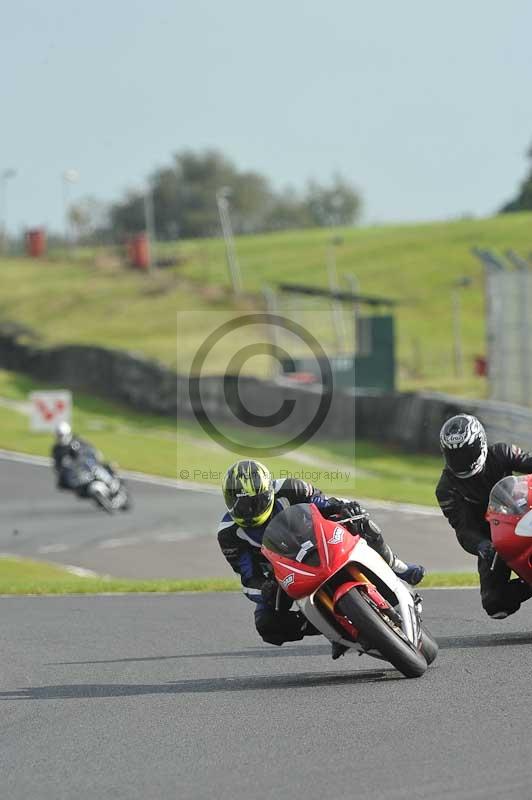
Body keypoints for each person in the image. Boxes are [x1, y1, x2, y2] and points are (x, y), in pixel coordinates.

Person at [218, 459, 426, 656]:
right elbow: (247, 578)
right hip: (283, 574)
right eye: (241, 505)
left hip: (321, 542)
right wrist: (264, 588)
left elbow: (325, 503)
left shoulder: (291, 488)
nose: (248, 511)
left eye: (255, 502)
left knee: (363, 524)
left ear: (268, 492)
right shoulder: (228, 534)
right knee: (266, 624)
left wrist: (345, 508)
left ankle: (398, 567)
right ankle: (334, 631)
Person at [436, 413, 532, 619]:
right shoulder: (446, 489)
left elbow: (529, 462)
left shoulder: (502, 453)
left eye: (466, 452)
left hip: (525, 515)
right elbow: (463, 530)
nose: (461, 460)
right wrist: (482, 546)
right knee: (495, 604)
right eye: (455, 455)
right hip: (496, 540)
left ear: (480, 444)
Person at [52, 422, 105, 491]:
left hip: (86, 463)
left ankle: (107, 479)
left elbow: (89, 446)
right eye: (58, 435)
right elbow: (57, 465)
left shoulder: (76, 439)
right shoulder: (57, 449)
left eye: (61, 435)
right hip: (75, 470)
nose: (60, 437)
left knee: (98, 467)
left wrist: (95, 453)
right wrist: (61, 471)